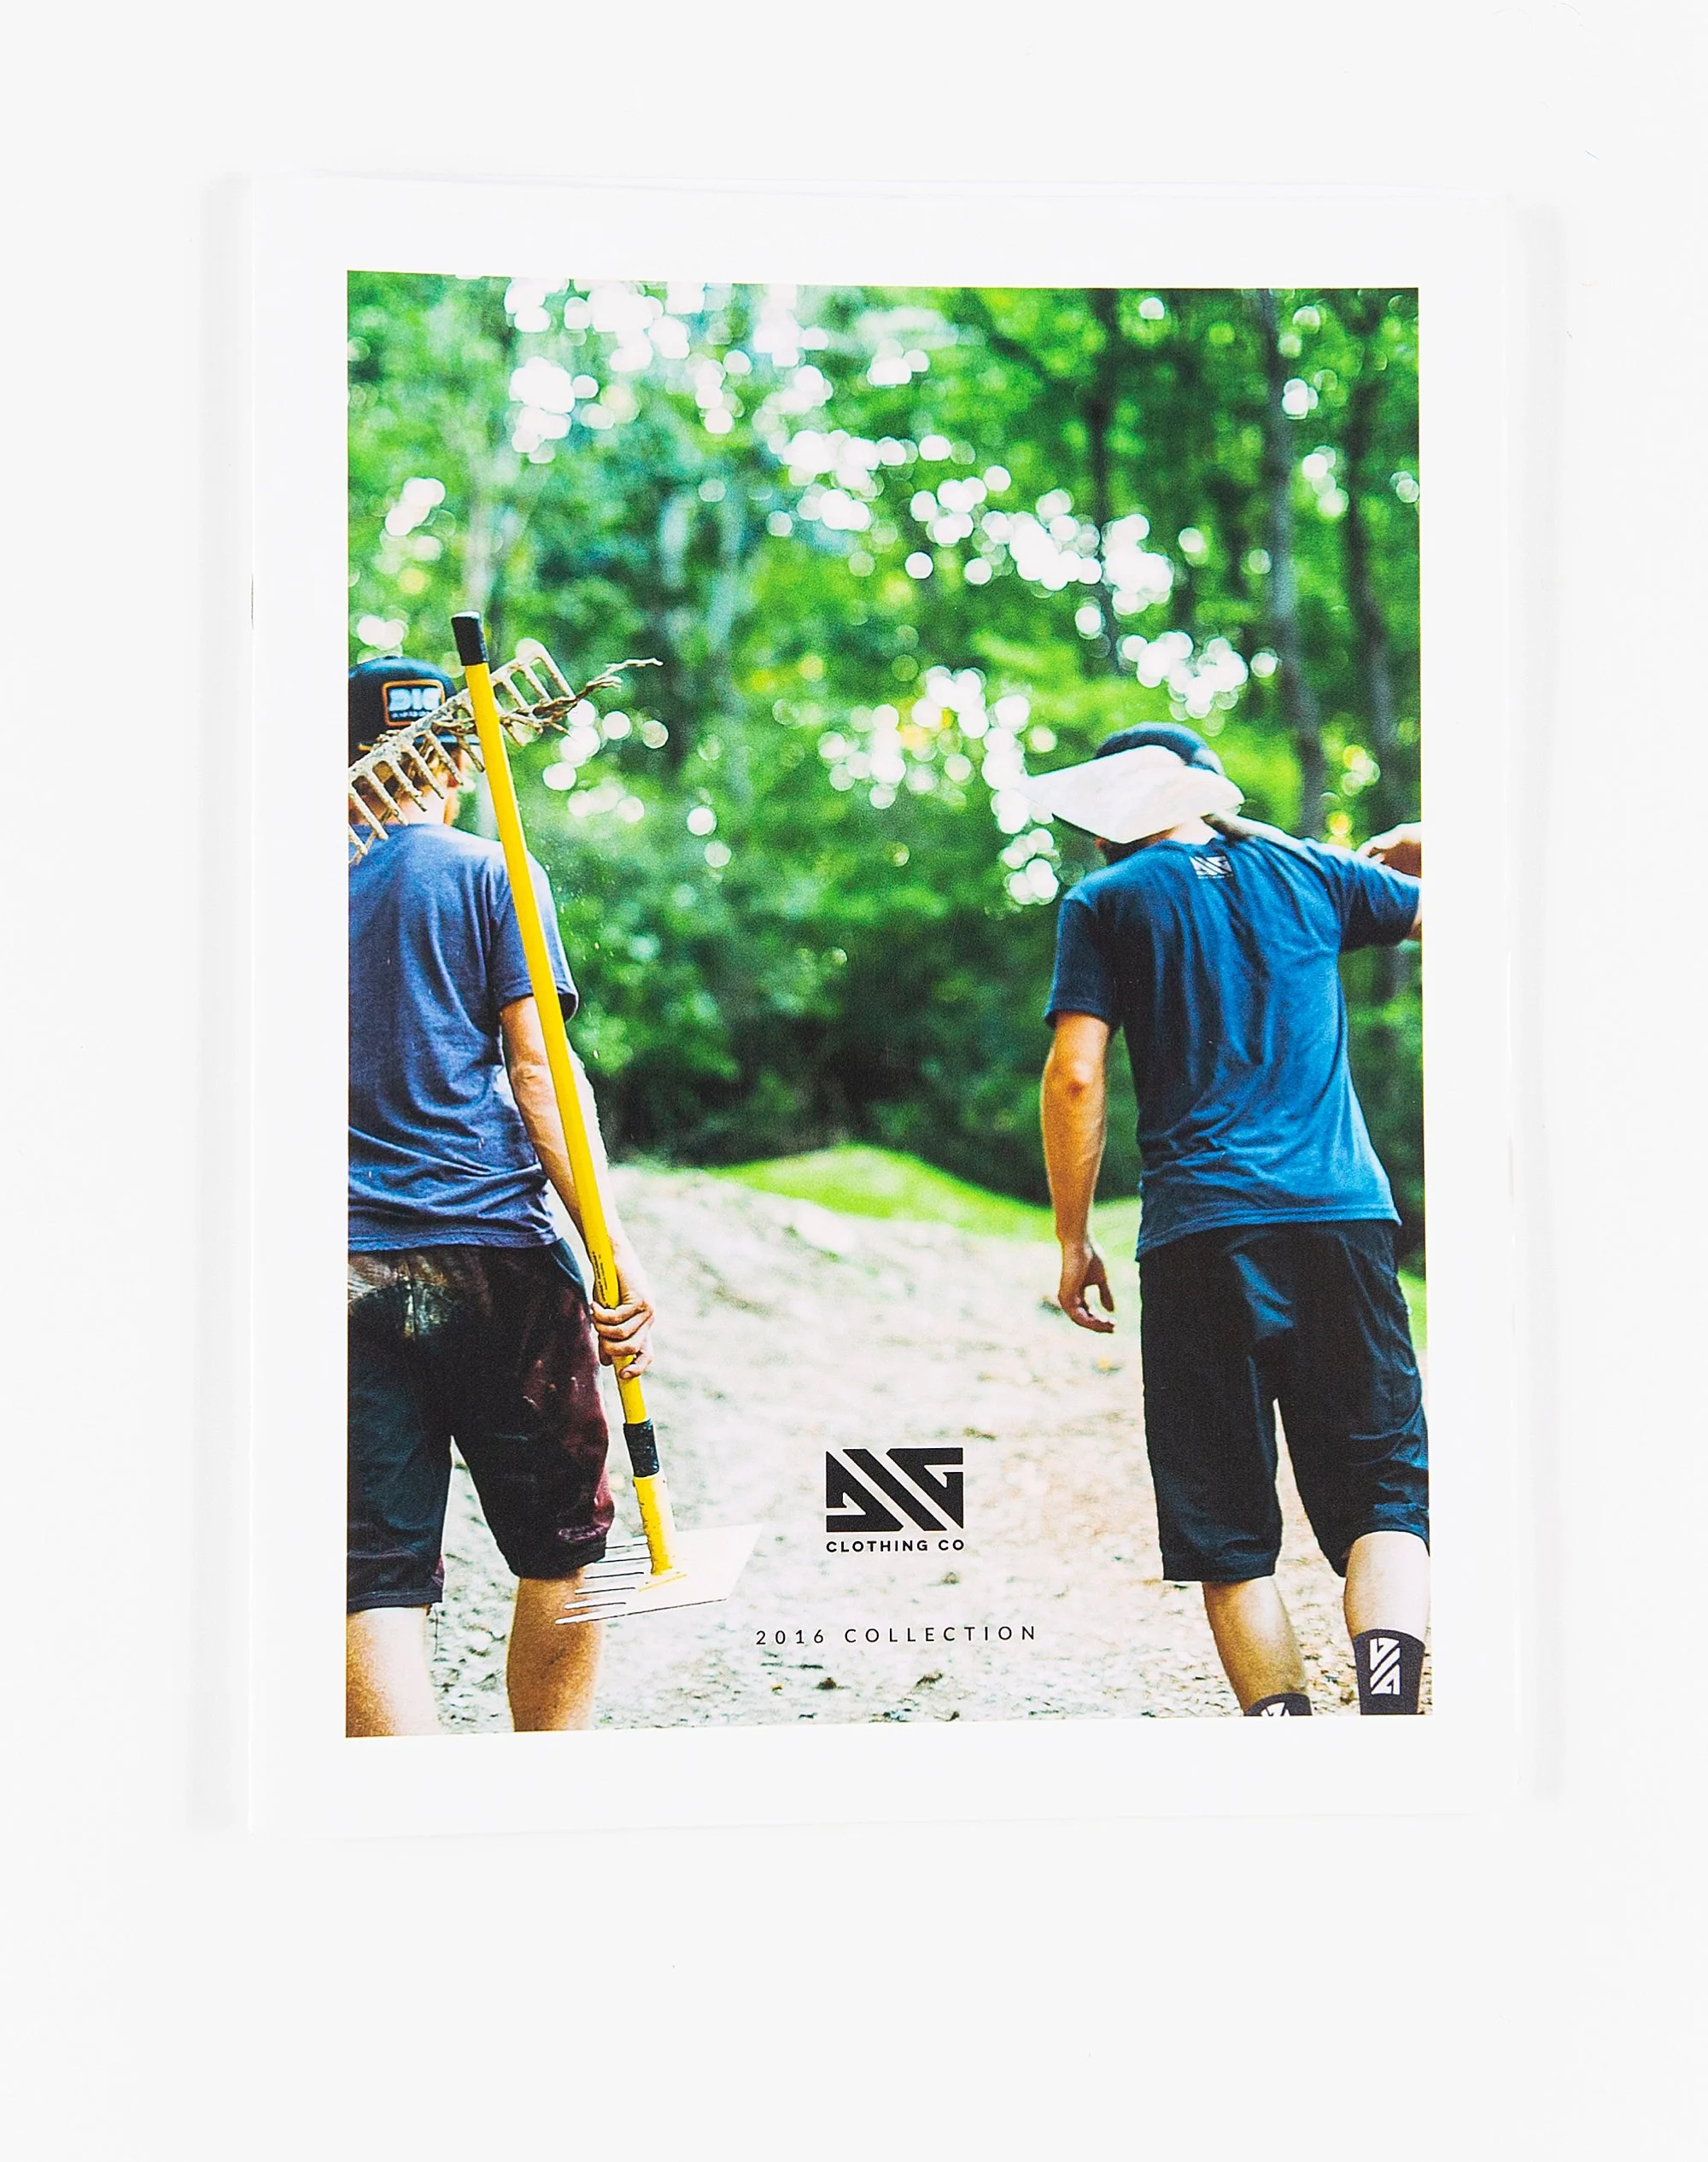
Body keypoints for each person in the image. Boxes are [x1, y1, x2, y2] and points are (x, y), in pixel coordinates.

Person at [1032, 722, 1428, 1715]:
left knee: (1226, 1529)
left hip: (1198, 1236)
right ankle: (1388, 1712)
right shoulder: (1313, 873)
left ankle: (1282, 1736)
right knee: (1386, 1500)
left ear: (1105, 822)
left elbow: (1075, 1075)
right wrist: (1421, 845)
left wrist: (1072, 1238)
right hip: (1341, 1220)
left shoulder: (1105, 902)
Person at [344, 657, 656, 1737]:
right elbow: (539, 1074)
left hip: (337, 1261)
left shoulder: (274, 888)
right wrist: (609, 1249)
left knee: (371, 1573)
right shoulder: (491, 870)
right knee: (561, 1545)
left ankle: (405, 1811)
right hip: (494, 1253)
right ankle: (542, 1788)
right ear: (454, 762)